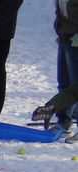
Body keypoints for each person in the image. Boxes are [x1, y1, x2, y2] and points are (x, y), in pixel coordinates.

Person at [49, 0, 78, 138]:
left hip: (76, 40)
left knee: (76, 86)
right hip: (65, 39)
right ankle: (64, 122)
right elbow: (61, 14)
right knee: (64, 83)